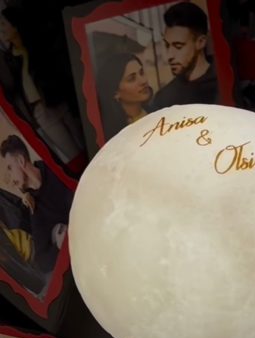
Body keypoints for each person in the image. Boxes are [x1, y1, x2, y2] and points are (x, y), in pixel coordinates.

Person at [0, 7, 85, 166]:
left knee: (86, 142)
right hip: (40, 111)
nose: (1, 29)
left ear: (15, 26)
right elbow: (10, 87)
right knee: (72, 154)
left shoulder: (35, 46)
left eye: (4, 24)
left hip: (58, 100)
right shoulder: (9, 59)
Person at [0, 135, 73, 273]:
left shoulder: (54, 167)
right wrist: (58, 244)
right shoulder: (34, 208)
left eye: (10, 168)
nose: (9, 178)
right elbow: (42, 262)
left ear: (21, 161)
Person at [150, 1, 218, 110]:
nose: (169, 56)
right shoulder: (163, 99)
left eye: (178, 46)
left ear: (200, 42)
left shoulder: (222, 83)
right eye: (167, 45)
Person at [97, 52, 153, 141]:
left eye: (141, 73)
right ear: (115, 93)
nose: (143, 81)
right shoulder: (113, 134)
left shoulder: (158, 113)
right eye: (131, 79)